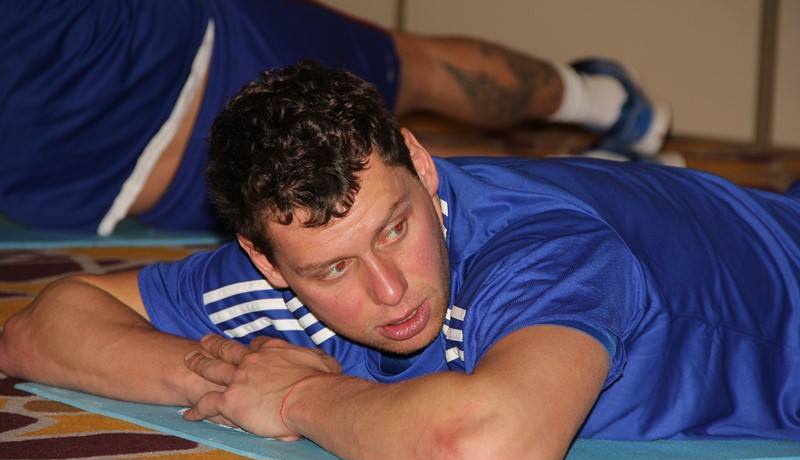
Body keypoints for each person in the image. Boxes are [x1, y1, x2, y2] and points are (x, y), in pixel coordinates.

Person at [4, 61, 795, 460]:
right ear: (266, 262)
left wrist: (298, 396)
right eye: (334, 268)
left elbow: (488, 452)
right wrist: (227, 375)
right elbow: (43, 325)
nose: (389, 290)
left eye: (395, 229)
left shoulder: (542, 250)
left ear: (420, 163)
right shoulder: (278, 262)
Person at [0, 0, 669, 235]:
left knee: (413, 169)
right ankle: (609, 110)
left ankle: (609, 133)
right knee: (413, 142)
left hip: (142, 169)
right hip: (193, 74)